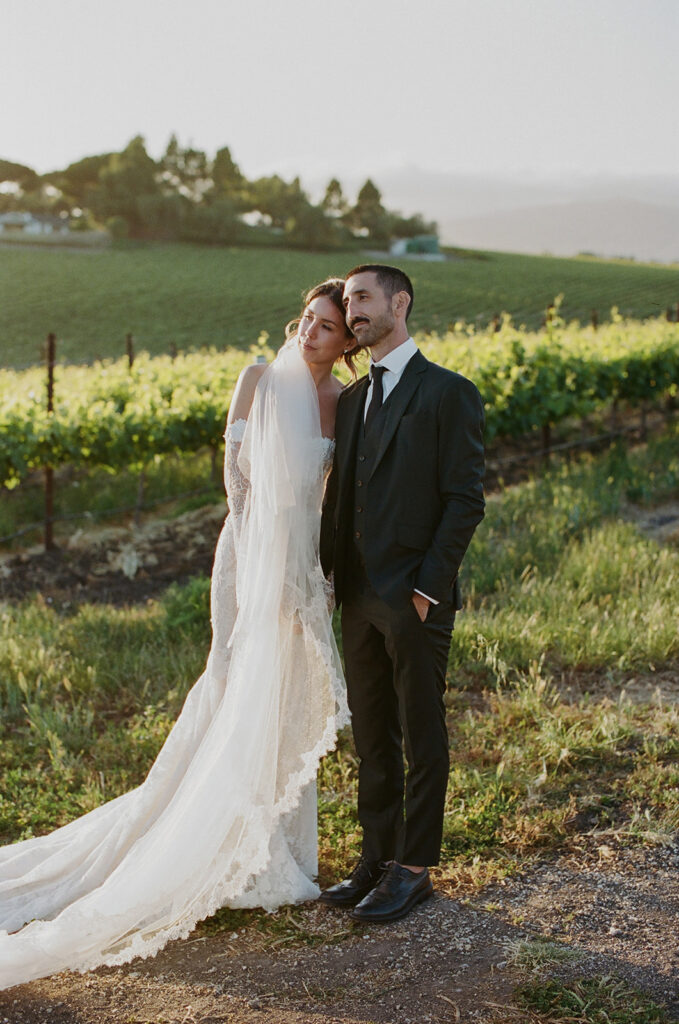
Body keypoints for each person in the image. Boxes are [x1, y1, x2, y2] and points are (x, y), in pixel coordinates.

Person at [0, 278, 357, 990]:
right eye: (305, 319)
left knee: (285, 695)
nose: (308, 333)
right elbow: (235, 477)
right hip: (251, 555)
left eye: (325, 327)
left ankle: (272, 848)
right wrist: (266, 567)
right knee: (237, 684)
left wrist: (313, 574)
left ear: (348, 341)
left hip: (304, 560)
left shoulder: (344, 402)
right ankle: (205, 835)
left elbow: (333, 493)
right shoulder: (259, 377)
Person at [319, 265, 485, 923]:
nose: (352, 312)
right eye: (347, 303)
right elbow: (341, 499)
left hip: (414, 596)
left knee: (420, 730)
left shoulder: (448, 392)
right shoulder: (355, 399)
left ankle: (412, 868)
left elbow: (463, 500)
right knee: (372, 737)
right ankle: (374, 858)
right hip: (356, 596)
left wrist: (426, 591)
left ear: (399, 302)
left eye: (362, 298)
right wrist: (329, 579)